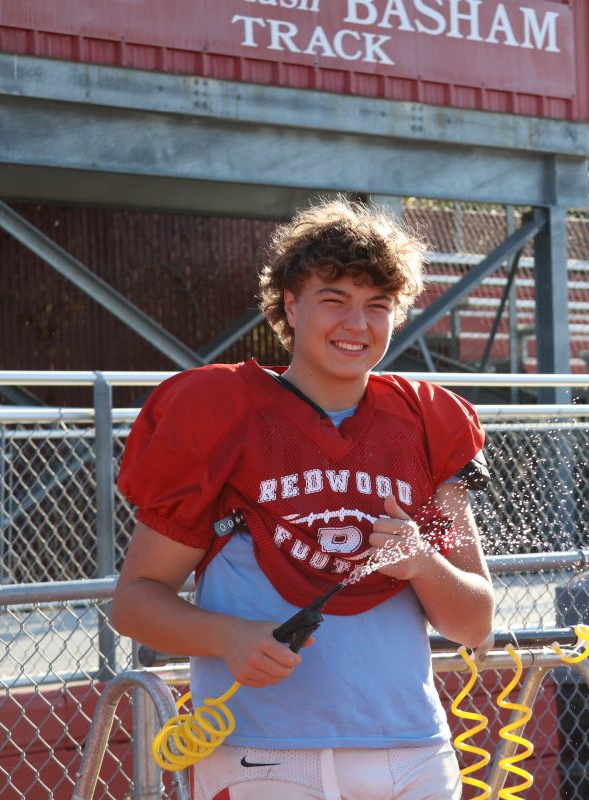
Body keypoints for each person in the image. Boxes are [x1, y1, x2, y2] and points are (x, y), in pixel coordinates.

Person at [112, 197, 494, 800]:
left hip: (411, 750)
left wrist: (421, 561)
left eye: (377, 306)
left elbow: (475, 623)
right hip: (264, 752)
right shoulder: (219, 412)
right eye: (334, 299)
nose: (357, 324)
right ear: (290, 303)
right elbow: (134, 604)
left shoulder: (427, 419)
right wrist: (230, 638)